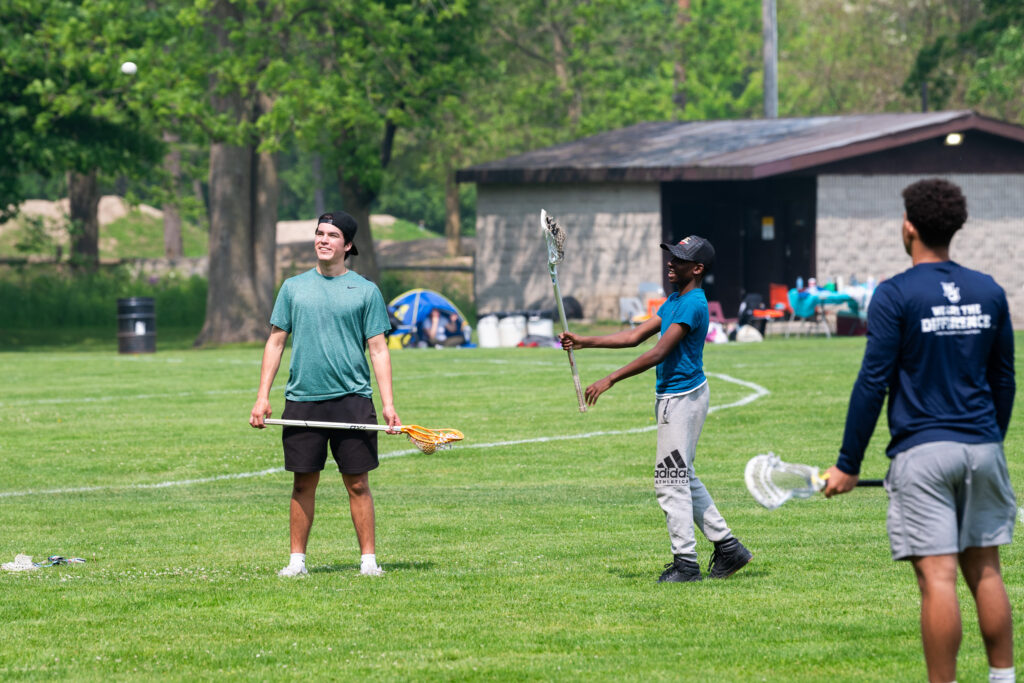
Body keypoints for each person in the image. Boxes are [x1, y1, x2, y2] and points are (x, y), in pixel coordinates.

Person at [823, 179, 1016, 683]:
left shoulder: (894, 293)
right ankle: (1003, 677)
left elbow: (873, 382)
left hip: (923, 453)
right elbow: (1004, 380)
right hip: (983, 447)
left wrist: (847, 464)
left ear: (909, 226)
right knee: (987, 570)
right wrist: (989, 440)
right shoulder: (989, 290)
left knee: (939, 578)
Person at [560, 235, 752, 583]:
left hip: (683, 399)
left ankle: (686, 564)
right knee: (682, 475)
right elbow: (634, 337)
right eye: (671, 256)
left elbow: (659, 351)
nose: (670, 263)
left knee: (669, 480)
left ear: (697, 268)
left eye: (679, 259)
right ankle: (729, 548)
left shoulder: (693, 304)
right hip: (676, 398)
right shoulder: (675, 300)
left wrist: (610, 379)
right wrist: (584, 341)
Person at [250, 211, 400, 578]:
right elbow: (275, 342)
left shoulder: (366, 290)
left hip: (352, 399)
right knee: (303, 482)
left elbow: (378, 349)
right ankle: (296, 562)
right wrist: (262, 396)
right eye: (319, 233)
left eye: (332, 235)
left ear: (347, 245)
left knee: (358, 484)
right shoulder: (293, 288)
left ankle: (368, 562)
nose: (323, 240)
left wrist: (388, 405)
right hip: (303, 399)